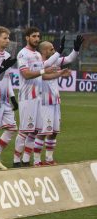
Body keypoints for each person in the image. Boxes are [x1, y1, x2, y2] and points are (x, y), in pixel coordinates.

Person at [14, 27, 60, 167]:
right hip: (27, 97)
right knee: (24, 130)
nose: (36, 39)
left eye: (38, 36)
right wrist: (43, 70)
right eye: (33, 36)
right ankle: (16, 161)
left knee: (35, 131)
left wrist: (56, 70)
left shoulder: (38, 56)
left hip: (39, 98)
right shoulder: (22, 54)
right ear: (27, 38)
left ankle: (26, 160)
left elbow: (43, 71)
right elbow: (26, 74)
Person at [34, 35, 82, 165]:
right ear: (44, 51)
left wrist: (76, 49)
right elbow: (43, 76)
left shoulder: (54, 61)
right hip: (44, 102)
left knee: (54, 132)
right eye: (51, 49)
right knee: (44, 131)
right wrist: (60, 73)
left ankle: (49, 159)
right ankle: (36, 160)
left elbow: (70, 58)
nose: (54, 51)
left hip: (55, 101)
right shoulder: (39, 63)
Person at [0, 26, 18, 169]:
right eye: (5, 38)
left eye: (8, 38)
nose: (8, 40)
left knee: (12, 129)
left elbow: (6, 79)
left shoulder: (7, 56)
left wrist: (12, 97)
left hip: (5, 99)